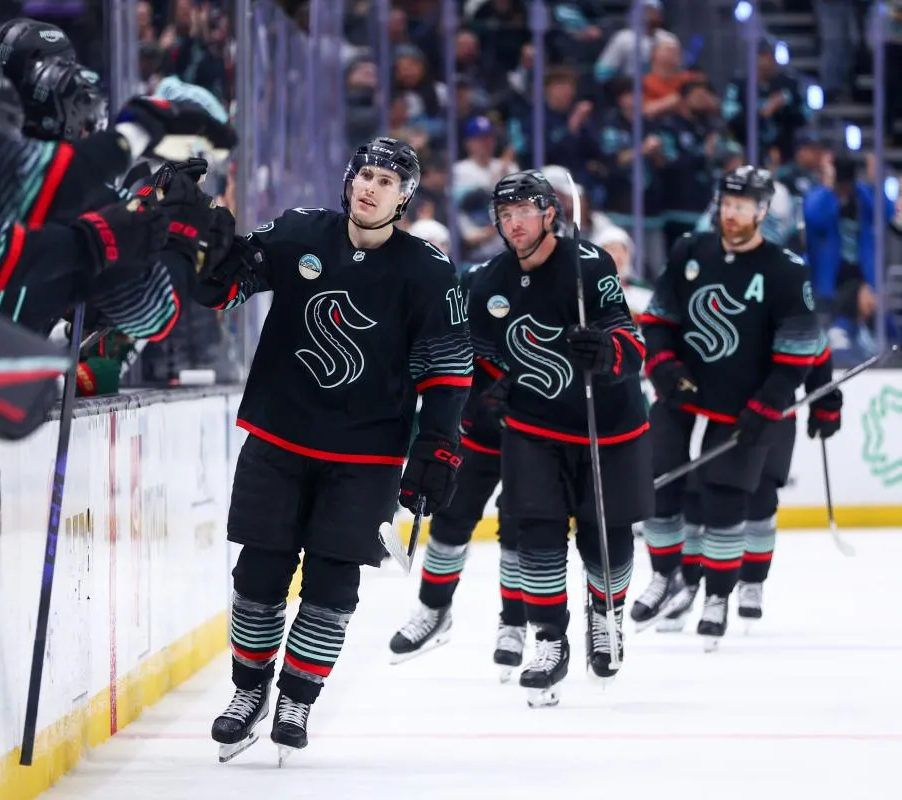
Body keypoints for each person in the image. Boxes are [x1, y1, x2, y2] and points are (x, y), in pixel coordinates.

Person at [193, 137, 472, 762]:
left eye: (387, 181)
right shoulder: (299, 233)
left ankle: (296, 698)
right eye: (365, 174)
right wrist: (201, 234)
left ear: (405, 197)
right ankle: (248, 693)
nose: (371, 187)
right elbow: (223, 289)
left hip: (366, 454)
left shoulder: (427, 270)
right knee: (259, 573)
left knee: (331, 581)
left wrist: (438, 448)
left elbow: (449, 372)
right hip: (278, 435)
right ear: (349, 181)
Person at [466, 169, 652, 708]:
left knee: (605, 533)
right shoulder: (489, 280)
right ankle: (549, 640)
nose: (513, 222)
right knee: (535, 533)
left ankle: (607, 617)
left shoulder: (589, 264)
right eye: (504, 214)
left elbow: (629, 339)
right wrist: (489, 389)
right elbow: (474, 355)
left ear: (551, 214)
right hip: (533, 427)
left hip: (606, 424)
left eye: (524, 210)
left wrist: (607, 352)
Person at [632, 165, 822, 650]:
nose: (731, 214)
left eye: (742, 206)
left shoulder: (784, 269)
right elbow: (657, 321)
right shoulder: (689, 251)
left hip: (744, 406)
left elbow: (799, 351)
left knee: (726, 496)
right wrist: (665, 368)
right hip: (683, 393)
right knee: (658, 482)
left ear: (762, 210)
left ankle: (717, 595)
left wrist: (769, 403)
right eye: (726, 204)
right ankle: (666, 576)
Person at [387, 261, 528, 680]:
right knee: (449, 520)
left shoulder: (561, 276)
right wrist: (486, 392)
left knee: (519, 528)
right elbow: (454, 346)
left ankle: (515, 624)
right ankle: (433, 610)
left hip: (535, 436)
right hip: (478, 430)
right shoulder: (479, 278)